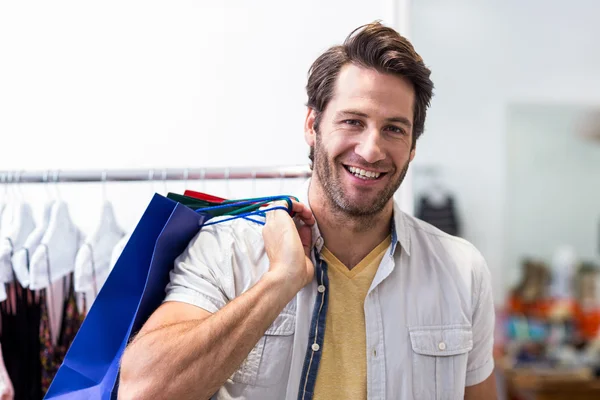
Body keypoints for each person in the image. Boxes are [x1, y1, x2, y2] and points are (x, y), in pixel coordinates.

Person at [118, 21, 497, 400]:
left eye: (394, 129)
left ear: (413, 146)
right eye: (353, 121)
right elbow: (144, 390)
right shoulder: (225, 250)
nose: (370, 150)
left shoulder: (462, 270)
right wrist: (279, 281)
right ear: (312, 125)